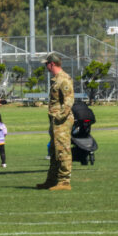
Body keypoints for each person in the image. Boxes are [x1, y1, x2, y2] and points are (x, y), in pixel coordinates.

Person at [38, 54, 74, 191]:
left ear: (52, 64)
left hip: (62, 121)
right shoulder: (56, 80)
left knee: (63, 150)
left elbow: (68, 101)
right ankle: (52, 180)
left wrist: (59, 117)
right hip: (56, 121)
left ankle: (64, 181)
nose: (45, 67)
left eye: (46, 64)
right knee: (54, 151)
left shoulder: (63, 79)